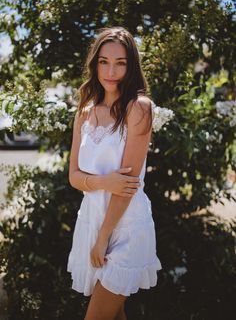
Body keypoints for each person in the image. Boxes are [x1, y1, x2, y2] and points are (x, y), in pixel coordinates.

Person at [67, 26, 162, 320]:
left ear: (130, 65)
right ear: (95, 63)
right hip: (92, 221)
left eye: (120, 62)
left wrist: (104, 236)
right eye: (104, 61)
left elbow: (129, 185)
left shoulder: (139, 108)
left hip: (126, 226)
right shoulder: (84, 111)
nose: (111, 70)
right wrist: (103, 182)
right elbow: (72, 176)